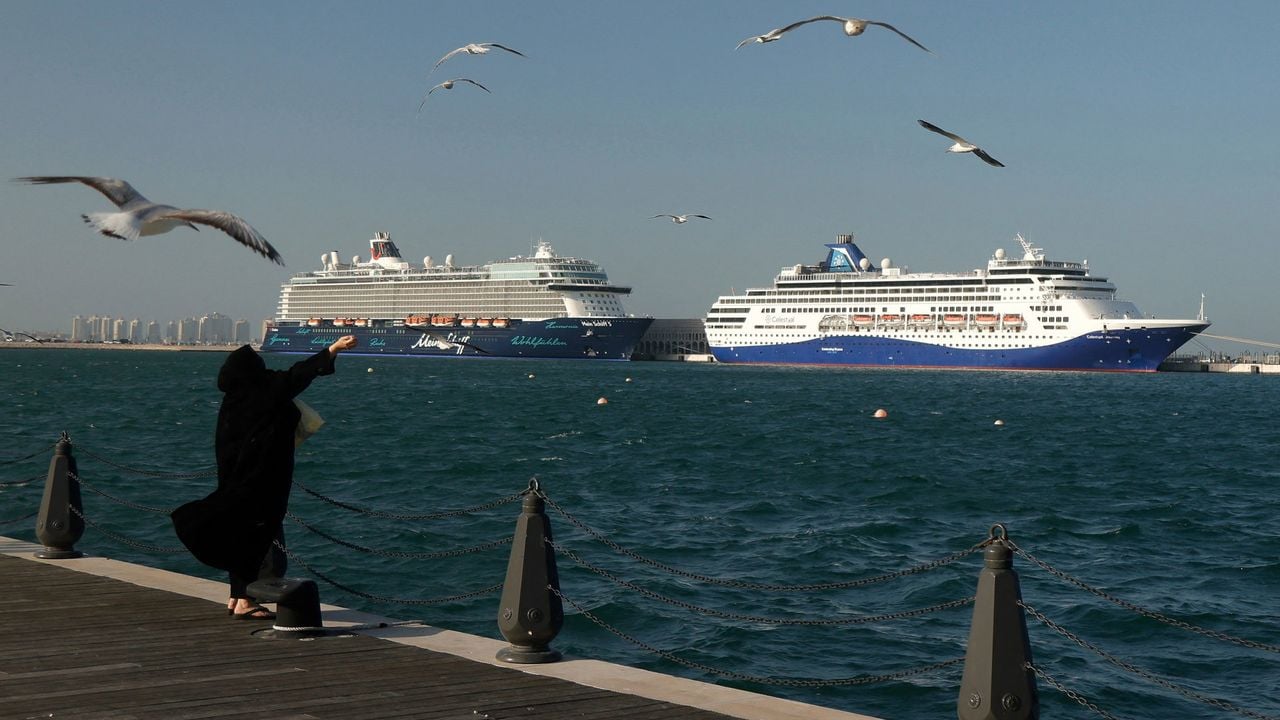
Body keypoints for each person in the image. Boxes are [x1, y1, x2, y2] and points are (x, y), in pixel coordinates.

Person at [172, 335, 357, 619]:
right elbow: (298, 375)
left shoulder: (232, 401)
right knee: (255, 538)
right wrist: (332, 350)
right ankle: (245, 600)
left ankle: (237, 596)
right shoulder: (264, 391)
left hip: (234, 479)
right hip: (262, 480)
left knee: (237, 534)